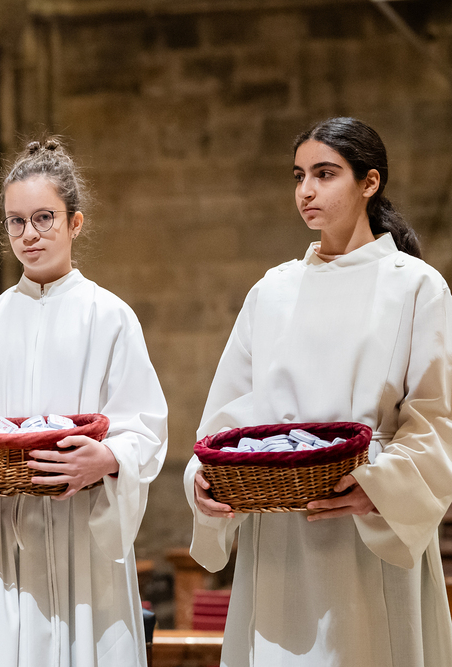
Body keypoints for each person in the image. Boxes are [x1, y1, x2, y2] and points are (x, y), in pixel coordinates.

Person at [185, 117, 452, 666]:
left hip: (368, 525)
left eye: (325, 174)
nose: (306, 190)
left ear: (369, 182)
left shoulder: (415, 285)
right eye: (299, 175)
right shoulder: (272, 291)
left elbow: (436, 418)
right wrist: (204, 480)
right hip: (279, 532)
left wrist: (383, 488)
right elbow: (226, 420)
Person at [0, 138, 169, 667]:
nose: (29, 234)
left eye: (44, 218)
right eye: (16, 221)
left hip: (80, 539)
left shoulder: (109, 318)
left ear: (75, 223)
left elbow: (144, 427)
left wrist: (108, 459)